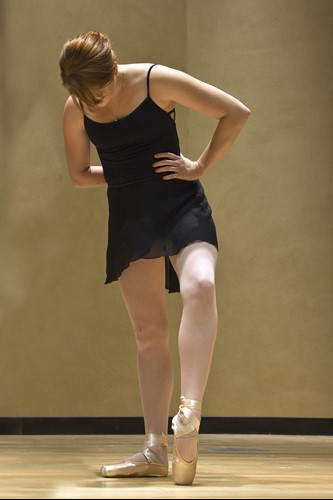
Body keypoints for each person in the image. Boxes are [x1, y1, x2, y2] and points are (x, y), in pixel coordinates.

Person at [59, 31, 250, 485]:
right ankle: (153, 449)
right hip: (131, 218)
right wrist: (129, 175)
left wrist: (200, 165)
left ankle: (188, 417)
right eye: (86, 99)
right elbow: (80, 175)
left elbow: (235, 112)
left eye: (99, 94)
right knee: (148, 334)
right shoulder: (75, 109)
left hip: (182, 206)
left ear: (113, 69)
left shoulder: (155, 81)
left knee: (200, 285)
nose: (96, 104)